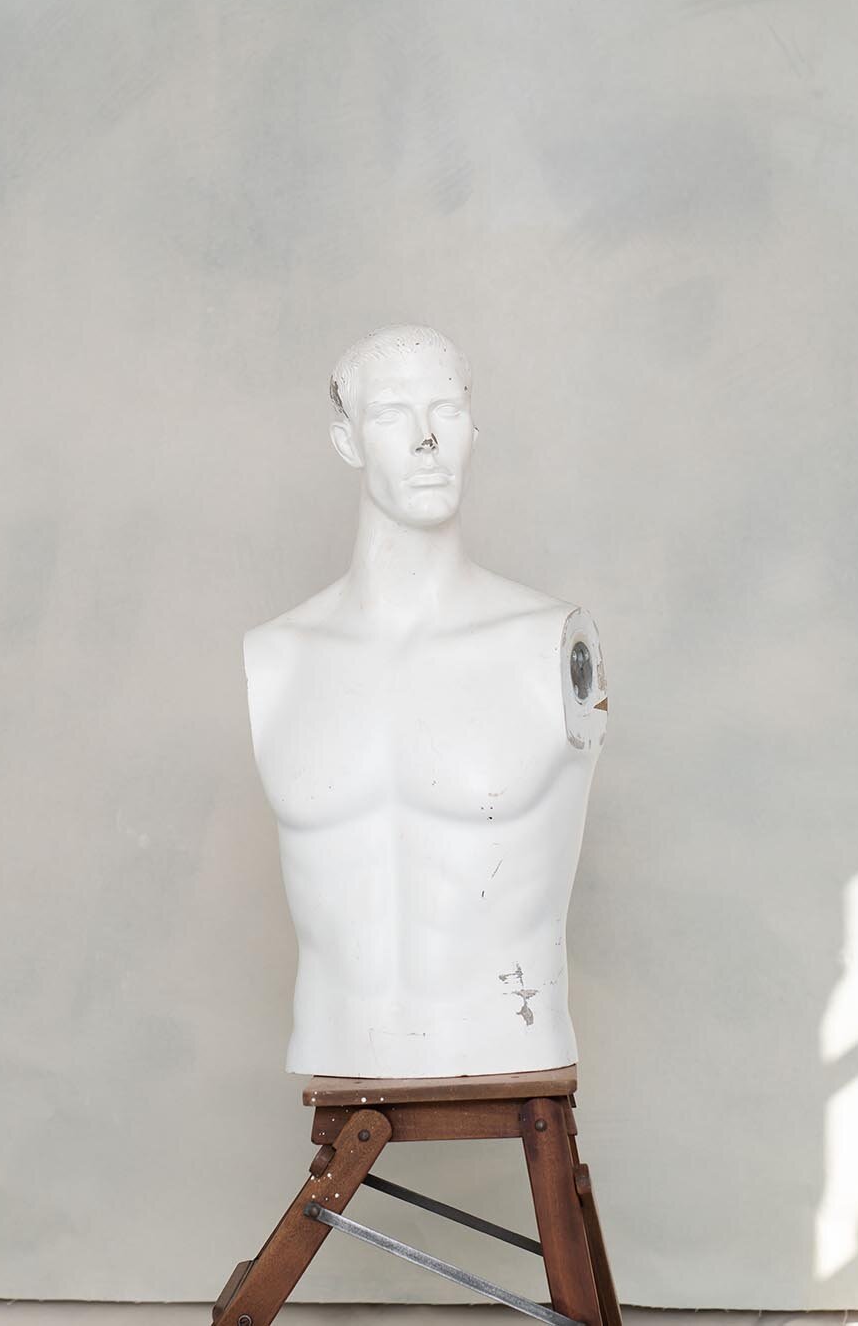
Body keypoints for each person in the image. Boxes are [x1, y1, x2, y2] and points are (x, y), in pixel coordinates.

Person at [243, 324, 607, 1079]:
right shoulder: (278, 657)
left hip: (510, 1039)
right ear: (347, 441)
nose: (424, 441)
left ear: (473, 429)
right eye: (390, 416)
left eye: (446, 411)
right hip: (336, 1039)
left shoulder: (549, 641)